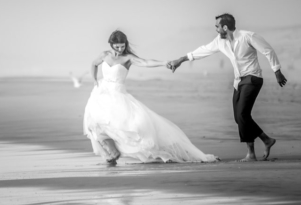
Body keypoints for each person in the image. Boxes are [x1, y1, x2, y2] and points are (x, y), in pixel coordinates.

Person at [83, 30, 218, 165]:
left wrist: (164, 62)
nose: (120, 49)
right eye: (117, 46)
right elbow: (94, 64)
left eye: (122, 46)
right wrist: (94, 79)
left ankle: (127, 152)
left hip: (118, 95)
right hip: (101, 93)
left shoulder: (128, 58)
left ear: (126, 44)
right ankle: (112, 153)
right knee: (95, 124)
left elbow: (146, 62)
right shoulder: (105, 55)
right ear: (111, 45)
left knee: (127, 127)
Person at [167, 13, 287, 162]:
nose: (216, 29)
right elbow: (202, 50)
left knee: (243, 114)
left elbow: (267, 50)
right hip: (239, 81)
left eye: (217, 26)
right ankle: (266, 140)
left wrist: (277, 71)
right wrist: (180, 60)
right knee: (239, 118)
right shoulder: (220, 41)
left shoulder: (247, 36)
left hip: (253, 78)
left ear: (225, 27)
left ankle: (251, 154)